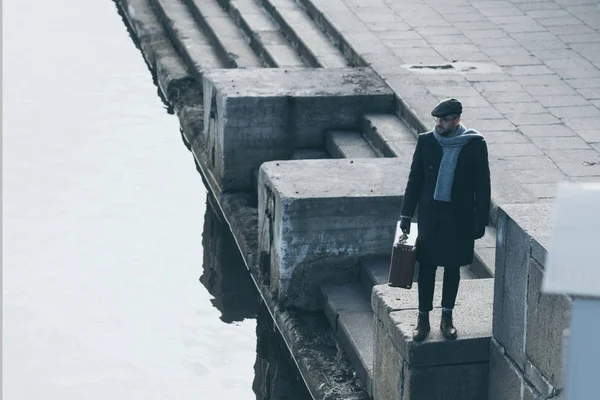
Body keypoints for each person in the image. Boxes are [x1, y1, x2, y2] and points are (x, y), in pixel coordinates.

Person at [399, 98, 491, 342]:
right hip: (431, 217)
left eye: (444, 120)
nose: (439, 124)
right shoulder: (426, 141)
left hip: (459, 218)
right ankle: (423, 320)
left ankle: (447, 318)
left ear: (457, 120)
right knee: (427, 268)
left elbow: (483, 187)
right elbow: (414, 180)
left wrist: (480, 220)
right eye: (437, 120)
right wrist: (406, 214)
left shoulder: (474, 144)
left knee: (452, 268)